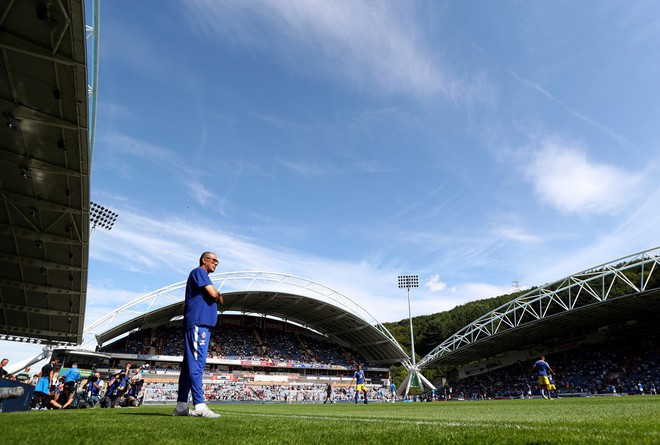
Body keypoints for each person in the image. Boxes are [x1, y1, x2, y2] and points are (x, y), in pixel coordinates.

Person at [173, 251, 224, 418]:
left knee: (189, 366)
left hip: (201, 324)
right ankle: (200, 405)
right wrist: (217, 296)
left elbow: (215, 295)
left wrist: (217, 296)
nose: (217, 263)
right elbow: (214, 294)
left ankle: (181, 406)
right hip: (198, 324)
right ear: (205, 260)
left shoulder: (202, 275)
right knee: (197, 364)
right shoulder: (199, 272)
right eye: (214, 260)